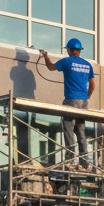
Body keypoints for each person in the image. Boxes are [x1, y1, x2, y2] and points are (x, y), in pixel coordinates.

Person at [40, 39, 95, 169]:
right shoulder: (88, 65)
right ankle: (84, 161)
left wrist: (45, 56)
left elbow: (51, 67)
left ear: (69, 50)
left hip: (71, 99)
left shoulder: (66, 61)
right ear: (80, 50)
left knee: (68, 129)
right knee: (81, 131)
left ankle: (70, 158)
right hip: (83, 102)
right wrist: (86, 97)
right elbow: (93, 84)